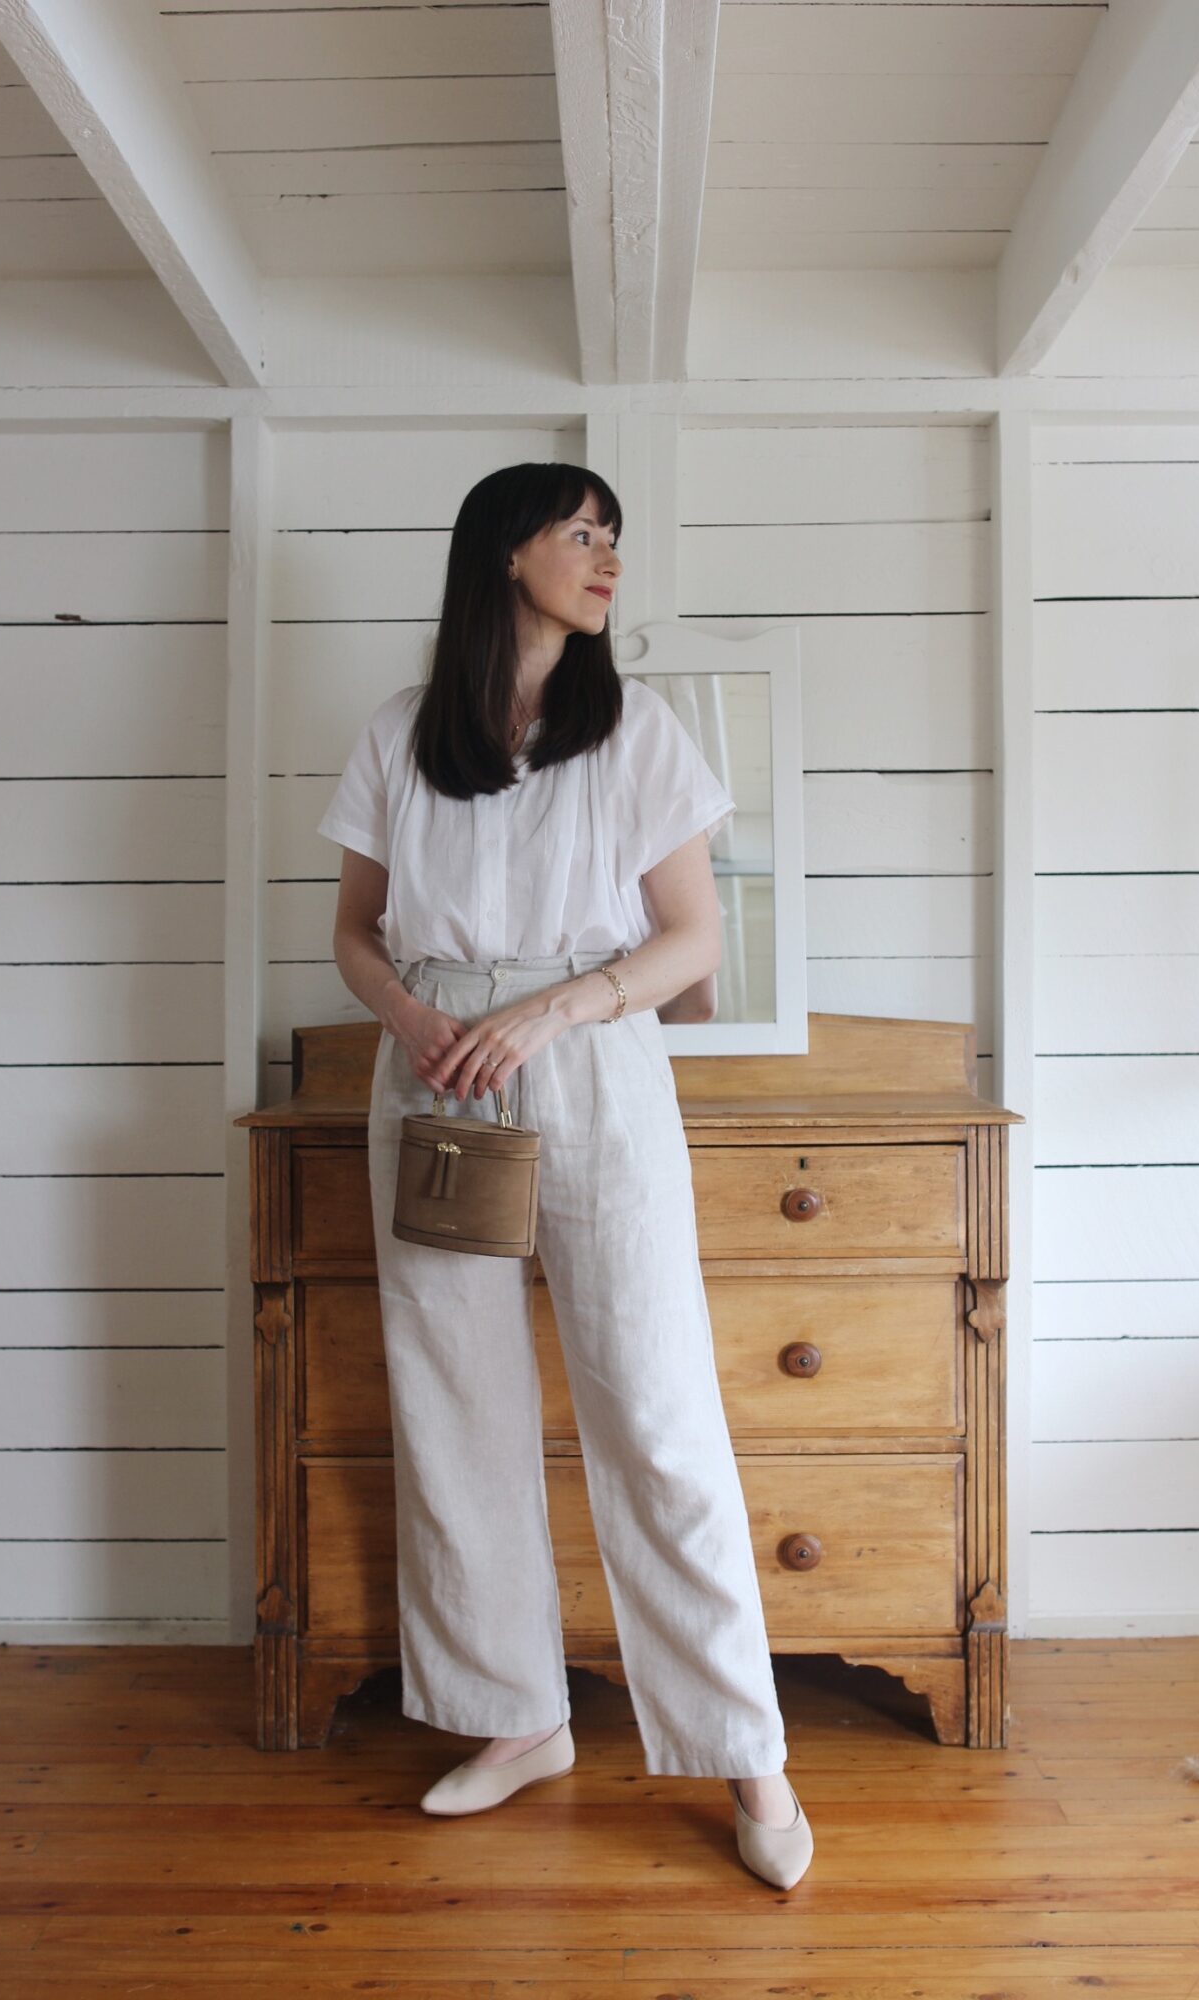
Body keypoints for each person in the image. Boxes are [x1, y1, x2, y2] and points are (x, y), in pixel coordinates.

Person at [317, 462, 813, 1888]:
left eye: (614, 539)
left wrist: (548, 1010)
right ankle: (513, 1718)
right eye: (578, 534)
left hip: (588, 1062)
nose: (605, 558)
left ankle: (747, 1755)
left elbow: (688, 944)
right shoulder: (405, 734)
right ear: (502, 553)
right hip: (429, 1074)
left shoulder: (634, 729)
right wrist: (411, 1017)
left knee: (653, 1408)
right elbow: (357, 931)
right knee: (454, 1404)